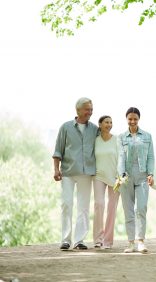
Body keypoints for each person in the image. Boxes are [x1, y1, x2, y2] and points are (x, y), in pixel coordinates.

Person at [53, 97, 98, 250]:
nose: (90, 112)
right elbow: (58, 150)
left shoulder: (94, 129)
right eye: (87, 109)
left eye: (91, 109)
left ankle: (79, 240)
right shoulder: (65, 127)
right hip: (68, 172)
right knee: (66, 204)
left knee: (83, 207)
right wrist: (56, 169)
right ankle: (66, 239)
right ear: (78, 110)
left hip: (86, 173)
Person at [117, 107, 155, 253]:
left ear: (139, 119)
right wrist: (121, 175)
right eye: (130, 119)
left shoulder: (147, 136)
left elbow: (151, 156)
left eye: (135, 119)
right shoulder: (121, 137)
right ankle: (130, 243)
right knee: (128, 210)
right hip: (126, 177)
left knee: (141, 208)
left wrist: (151, 173)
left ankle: (141, 241)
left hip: (142, 176)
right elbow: (120, 157)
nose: (132, 121)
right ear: (126, 119)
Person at [93, 115, 120, 249]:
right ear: (100, 124)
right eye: (106, 122)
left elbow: (121, 158)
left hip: (115, 177)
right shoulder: (95, 140)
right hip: (98, 175)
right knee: (99, 204)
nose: (109, 124)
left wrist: (120, 176)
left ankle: (108, 241)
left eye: (111, 122)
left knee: (112, 208)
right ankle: (98, 239)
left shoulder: (117, 140)